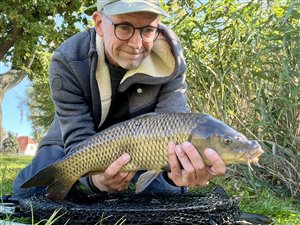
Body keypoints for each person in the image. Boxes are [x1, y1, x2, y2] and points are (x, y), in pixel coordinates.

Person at [13, 0, 226, 199]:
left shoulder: (171, 59)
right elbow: (77, 134)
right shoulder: (67, 59)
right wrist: (95, 181)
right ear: (99, 23)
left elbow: (174, 127)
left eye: (148, 30)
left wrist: (177, 173)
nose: (136, 44)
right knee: (31, 193)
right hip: (77, 133)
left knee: (165, 192)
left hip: (142, 143)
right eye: (124, 27)